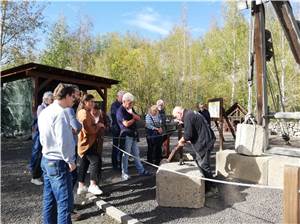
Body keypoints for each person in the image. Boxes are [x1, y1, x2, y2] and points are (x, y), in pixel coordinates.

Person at [38, 85, 76, 224]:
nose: (74, 100)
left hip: (46, 158)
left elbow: (42, 136)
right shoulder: (61, 113)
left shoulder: (45, 112)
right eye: (73, 97)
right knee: (64, 204)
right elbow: (64, 141)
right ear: (66, 96)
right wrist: (70, 160)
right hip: (58, 161)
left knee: (49, 200)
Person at [172, 106, 217, 195]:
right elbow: (193, 128)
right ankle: (205, 185)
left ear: (179, 113)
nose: (176, 119)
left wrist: (182, 140)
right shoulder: (190, 113)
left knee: (204, 165)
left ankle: (212, 189)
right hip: (206, 140)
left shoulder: (188, 116)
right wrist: (183, 123)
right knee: (200, 163)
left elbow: (188, 135)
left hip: (204, 142)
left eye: (176, 116)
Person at [116, 92, 151, 181]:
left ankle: (141, 170)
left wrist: (133, 115)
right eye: (130, 102)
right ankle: (125, 173)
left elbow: (138, 117)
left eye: (132, 102)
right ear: (124, 101)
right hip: (126, 135)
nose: (131, 104)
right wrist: (133, 118)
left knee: (136, 154)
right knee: (126, 155)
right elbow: (126, 124)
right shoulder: (120, 111)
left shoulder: (130, 109)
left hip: (133, 134)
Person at [76, 94, 104, 195]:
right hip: (87, 143)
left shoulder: (84, 112)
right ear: (85, 102)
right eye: (91, 101)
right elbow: (88, 128)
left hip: (86, 142)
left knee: (84, 163)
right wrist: (98, 126)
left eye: (93, 101)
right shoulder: (84, 112)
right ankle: (93, 185)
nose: (93, 103)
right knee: (95, 161)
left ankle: (81, 186)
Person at [30, 91, 54, 185]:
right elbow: (42, 121)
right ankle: (34, 173)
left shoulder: (49, 107)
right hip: (39, 133)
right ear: (46, 99)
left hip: (44, 133)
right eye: (51, 99)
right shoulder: (41, 107)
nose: (53, 101)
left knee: (41, 153)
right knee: (37, 153)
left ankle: (39, 173)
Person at [90, 103, 107, 181]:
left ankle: (98, 174)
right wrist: (97, 126)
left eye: (95, 111)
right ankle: (93, 175)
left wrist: (103, 128)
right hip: (91, 139)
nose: (94, 112)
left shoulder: (101, 114)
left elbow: (106, 124)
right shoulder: (88, 115)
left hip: (100, 138)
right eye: (92, 111)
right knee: (93, 158)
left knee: (98, 156)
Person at [110, 90, 126, 170]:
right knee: (116, 147)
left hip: (124, 130)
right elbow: (116, 117)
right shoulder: (114, 105)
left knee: (123, 147)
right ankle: (115, 164)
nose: (124, 98)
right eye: (122, 97)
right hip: (117, 129)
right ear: (118, 97)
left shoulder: (126, 104)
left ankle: (121, 163)